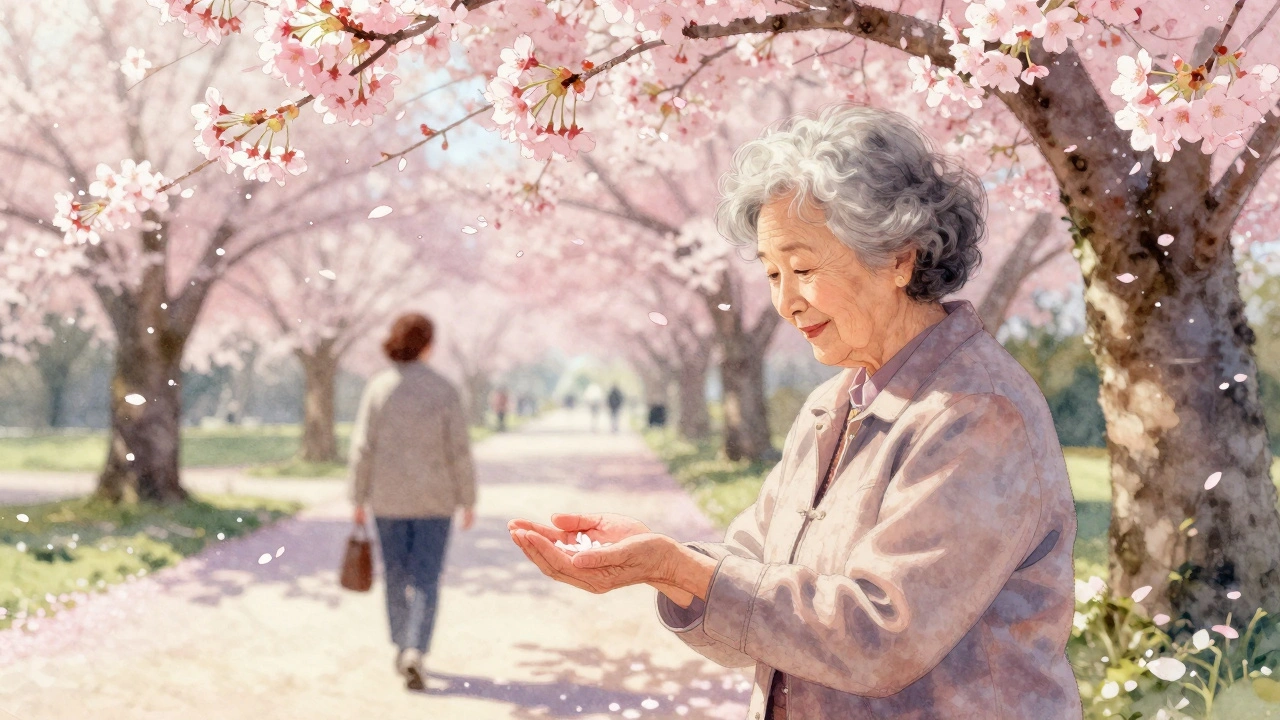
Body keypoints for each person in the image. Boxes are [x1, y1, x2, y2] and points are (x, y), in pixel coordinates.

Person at [508, 105, 1081, 719]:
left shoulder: (976, 412)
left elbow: (882, 636)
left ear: (899, 257)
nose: (786, 302)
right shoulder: (831, 405)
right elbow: (750, 585)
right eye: (772, 273)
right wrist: (663, 565)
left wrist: (678, 566)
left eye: (804, 269)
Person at [349, 312, 477, 691]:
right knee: (426, 577)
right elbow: (459, 451)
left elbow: (363, 447)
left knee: (395, 575)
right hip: (435, 502)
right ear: (427, 344)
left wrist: (357, 496)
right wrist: (467, 499)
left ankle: (402, 641)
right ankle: (416, 650)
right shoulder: (444, 390)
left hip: (387, 500)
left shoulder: (378, 388)